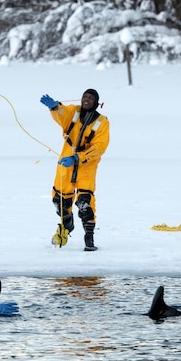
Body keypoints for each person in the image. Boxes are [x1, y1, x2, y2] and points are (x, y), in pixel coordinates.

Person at [40, 89, 110, 251]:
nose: (86, 100)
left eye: (90, 98)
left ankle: (89, 236)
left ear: (96, 102)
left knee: (85, 203)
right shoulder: (74, 112)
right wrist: (55, 107)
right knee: (60, 200)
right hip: (66, 166)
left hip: (86, 167)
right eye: (85, 96)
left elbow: (99, 147)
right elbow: (63, 113)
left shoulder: (102, 122)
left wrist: (79, 157)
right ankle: (67, 224)